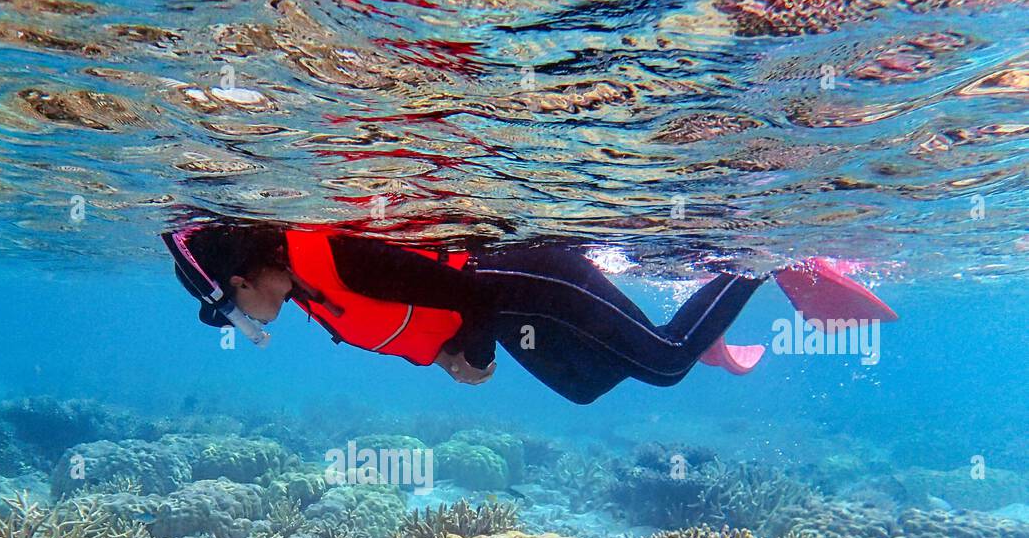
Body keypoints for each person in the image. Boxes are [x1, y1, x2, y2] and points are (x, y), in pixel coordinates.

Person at [164, 223, 897, 405]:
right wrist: (456, 351)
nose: (243, 319)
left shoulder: (333, 260)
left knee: (664, 366)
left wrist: (472, 354)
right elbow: (429, 315)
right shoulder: (303, 289)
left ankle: (765, 254)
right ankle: (696, 328)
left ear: (241, 278)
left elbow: (473, 294)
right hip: (513, 308)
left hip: (529, 281)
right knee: (584, 386)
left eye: (230, 307)